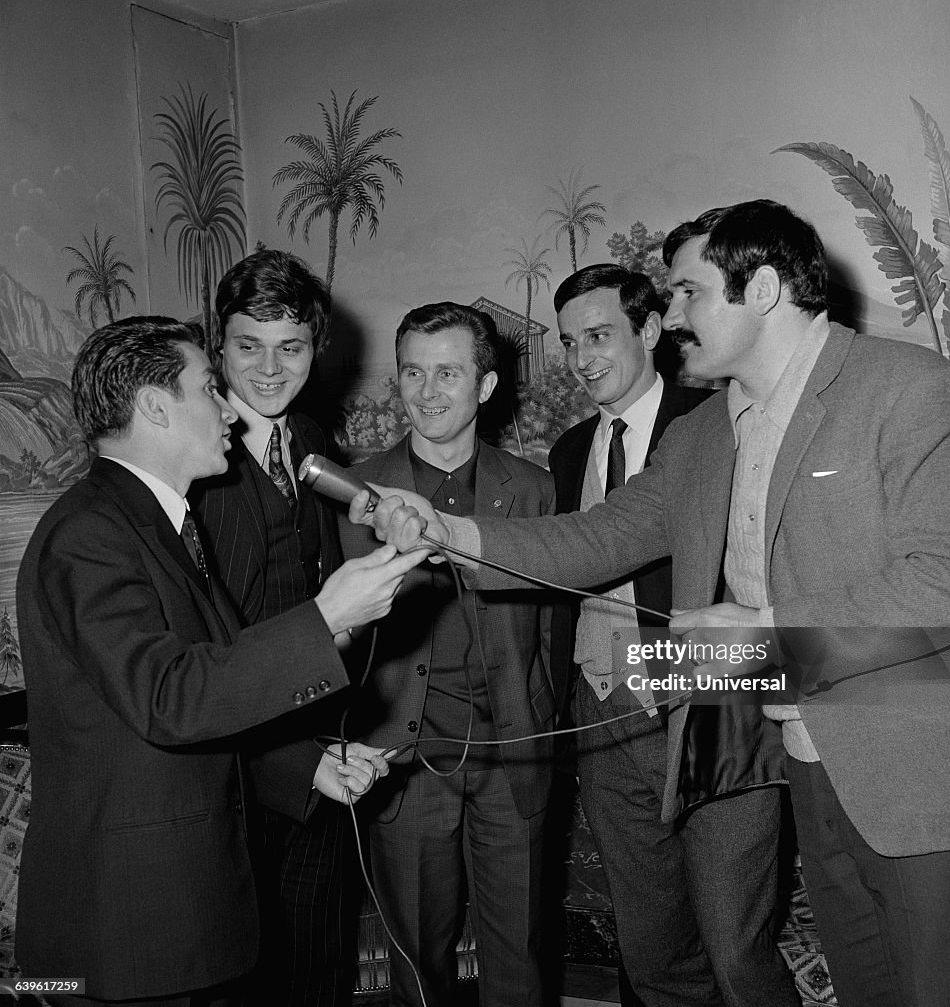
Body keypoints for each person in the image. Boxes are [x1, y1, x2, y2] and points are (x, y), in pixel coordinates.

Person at [353, 200, 950, 1007]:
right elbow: (598, 537)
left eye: (687, 294)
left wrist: (769, 633)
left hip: (924, 769)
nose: (669, 319)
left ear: (765, 289)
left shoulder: (911, 389)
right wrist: (452, 531)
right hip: (813, 760)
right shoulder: (705, 434)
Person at [16, 316, 428, 1006]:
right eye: (210, 389)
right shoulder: (89, 534)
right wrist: (328, 615)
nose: (229, 411)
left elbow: (219, 683)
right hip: (127, 929)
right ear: (154, 405)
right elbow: (167, 699)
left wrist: (314, 768)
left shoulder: (158, 525)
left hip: (172, 918)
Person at [548, 263, 795, 1007]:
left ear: (650, 330)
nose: (584, 357)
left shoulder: (720, 424)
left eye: (599, 335)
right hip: (604, 711)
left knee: (734, 948)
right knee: (651, 950)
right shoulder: (567, 452)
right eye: (569, 342)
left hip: (706, 704)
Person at [336, 302, 556, 1007]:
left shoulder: (534, 488)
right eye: (412, 373)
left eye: (448, 373)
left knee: (518, 961)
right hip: (406, 767)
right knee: (418, 970)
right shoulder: (355, 493)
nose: (427, 392)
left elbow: (552, 630)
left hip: (513, 758)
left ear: (485, 388)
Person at [190, 249, 348, 1007]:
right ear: (217, 345)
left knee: (318, 970)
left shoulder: (314, 438)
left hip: (326, 754)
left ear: (316, 349)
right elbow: (198, 657)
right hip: (236, 774)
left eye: (291, 348)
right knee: (242, 980)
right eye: (247, 345)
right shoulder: (191, 461)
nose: (268, 370)